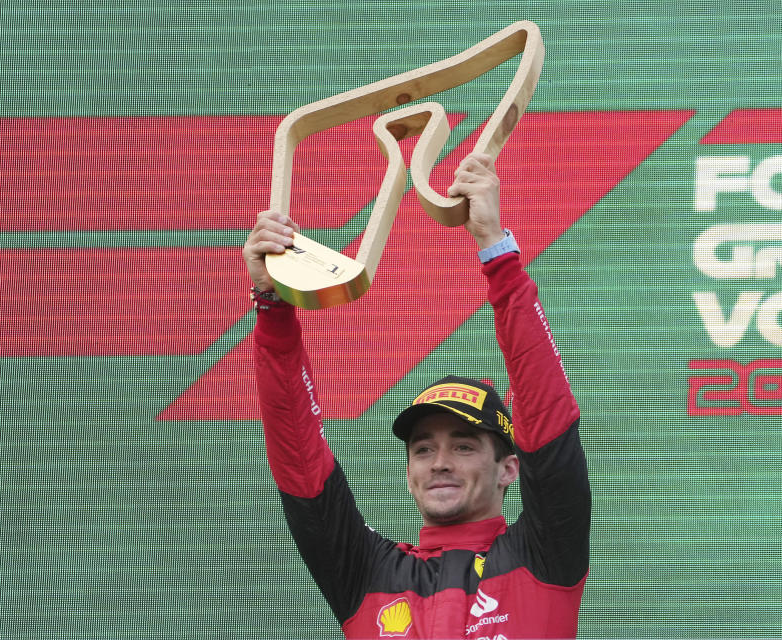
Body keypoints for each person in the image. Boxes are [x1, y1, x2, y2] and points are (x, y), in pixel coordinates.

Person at [243, 152, 591, 638]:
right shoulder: (365, 572)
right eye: (423, 448)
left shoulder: (544, 553)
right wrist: (273, 307)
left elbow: (545, 413)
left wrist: (497, 253)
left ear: (510, 468)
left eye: (464, 445)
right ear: (409, 472)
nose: (439, 462)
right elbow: (299, 461)